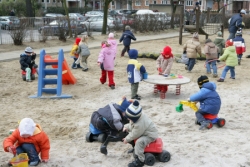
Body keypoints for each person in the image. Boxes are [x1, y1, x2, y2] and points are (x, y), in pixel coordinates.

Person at [122, 101, 158, 167]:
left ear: (134, 118)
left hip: (150, 135)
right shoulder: (137, 117)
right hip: (143, 131)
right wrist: (126, 126)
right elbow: (132, 126)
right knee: (131, 134)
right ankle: (135, 149)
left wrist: (127, 139)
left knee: (139, 142)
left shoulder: (139, 124)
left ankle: (140, 161)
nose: (128, 118)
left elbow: (135, 134)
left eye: (129, 118)